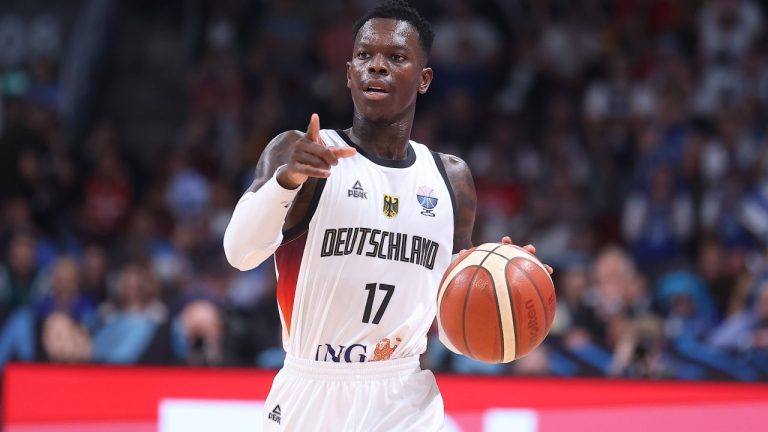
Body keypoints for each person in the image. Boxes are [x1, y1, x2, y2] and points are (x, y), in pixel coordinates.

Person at [223, 1, 551, 430]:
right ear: (348, 73)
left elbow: (451, 326)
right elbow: (238, 253)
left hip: (404, 395)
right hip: (313, 388)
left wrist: (498, 282)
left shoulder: (451, 179)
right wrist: (287, 181)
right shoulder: (301, 151)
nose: (376, 67)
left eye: (396, 58)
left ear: (424, 79)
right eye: (364, 56)